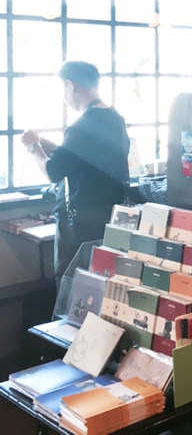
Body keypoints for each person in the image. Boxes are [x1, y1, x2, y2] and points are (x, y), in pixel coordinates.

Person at [21, 61, 130, 282]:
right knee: (104, 280)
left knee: (71, 282)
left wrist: (33, 147)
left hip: (80, 220)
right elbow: (82, 160)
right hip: (112, 214)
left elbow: (52, 172)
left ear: (70, 86)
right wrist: (49, 146)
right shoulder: (115, 118)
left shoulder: (81, 126)